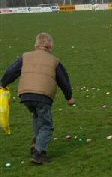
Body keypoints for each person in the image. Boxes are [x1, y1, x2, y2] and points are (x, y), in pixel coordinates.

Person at [1, 33, 75, 164]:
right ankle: (39, 152)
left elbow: (12, 71)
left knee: (37, 117)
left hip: (25, 94)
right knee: (47, 125)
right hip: (43, 95)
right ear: (50, 45)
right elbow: (64, 80)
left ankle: (36, 142)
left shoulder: (25, 57)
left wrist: (3, 83)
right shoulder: (54, 61)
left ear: (36, 44)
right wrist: (69, 97)